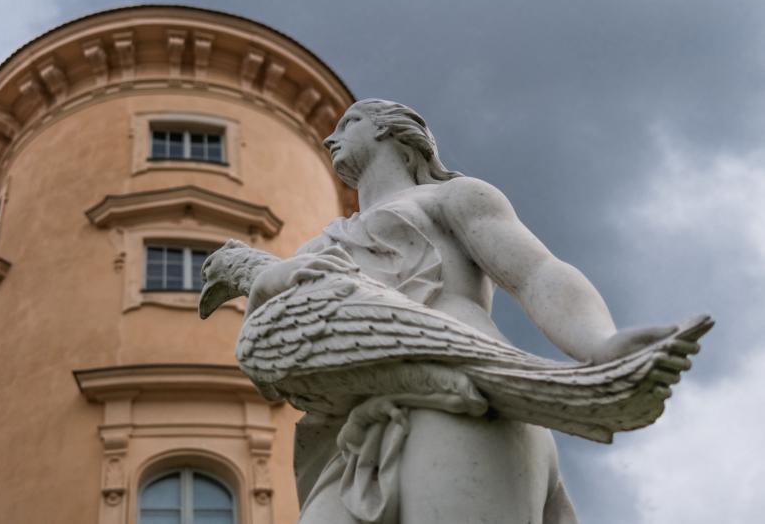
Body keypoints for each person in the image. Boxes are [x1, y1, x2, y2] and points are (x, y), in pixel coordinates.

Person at [239, 99, 693, 524]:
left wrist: (600, 342)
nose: (329, 139)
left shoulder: (451, 198)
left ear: (386, 128)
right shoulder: (322, 242)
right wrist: (266, 283)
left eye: (348, 124)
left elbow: (536, 273)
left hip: (467, 395)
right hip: (352, 435)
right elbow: (274, 360)